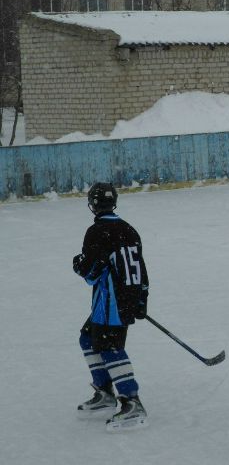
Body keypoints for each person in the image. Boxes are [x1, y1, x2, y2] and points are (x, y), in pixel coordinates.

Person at [73, 182, 151, 431]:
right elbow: (141, 269)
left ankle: (132, 402)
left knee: (110, 347)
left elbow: (91, 274)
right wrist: (141, 300)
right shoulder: (129, 229)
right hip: (122, 300)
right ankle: (105, 392)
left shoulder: (97, 232)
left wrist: (78, 264)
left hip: (111, 303)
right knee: (88, 338)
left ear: (92, 204)